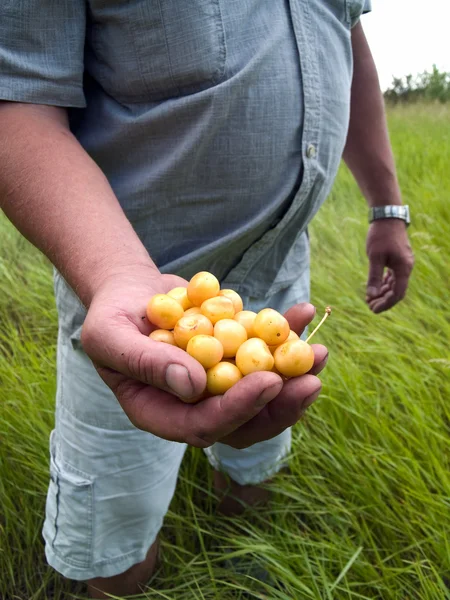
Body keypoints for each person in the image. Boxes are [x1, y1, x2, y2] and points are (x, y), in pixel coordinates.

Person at [0, 1, 414, 597]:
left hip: (277, 285)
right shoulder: (137, 310)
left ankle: (243, 560)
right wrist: (116, 272)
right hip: (130, 310)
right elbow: (18, 98)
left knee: (260, 451)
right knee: (116, 536)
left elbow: (345, 39)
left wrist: (387, 207)